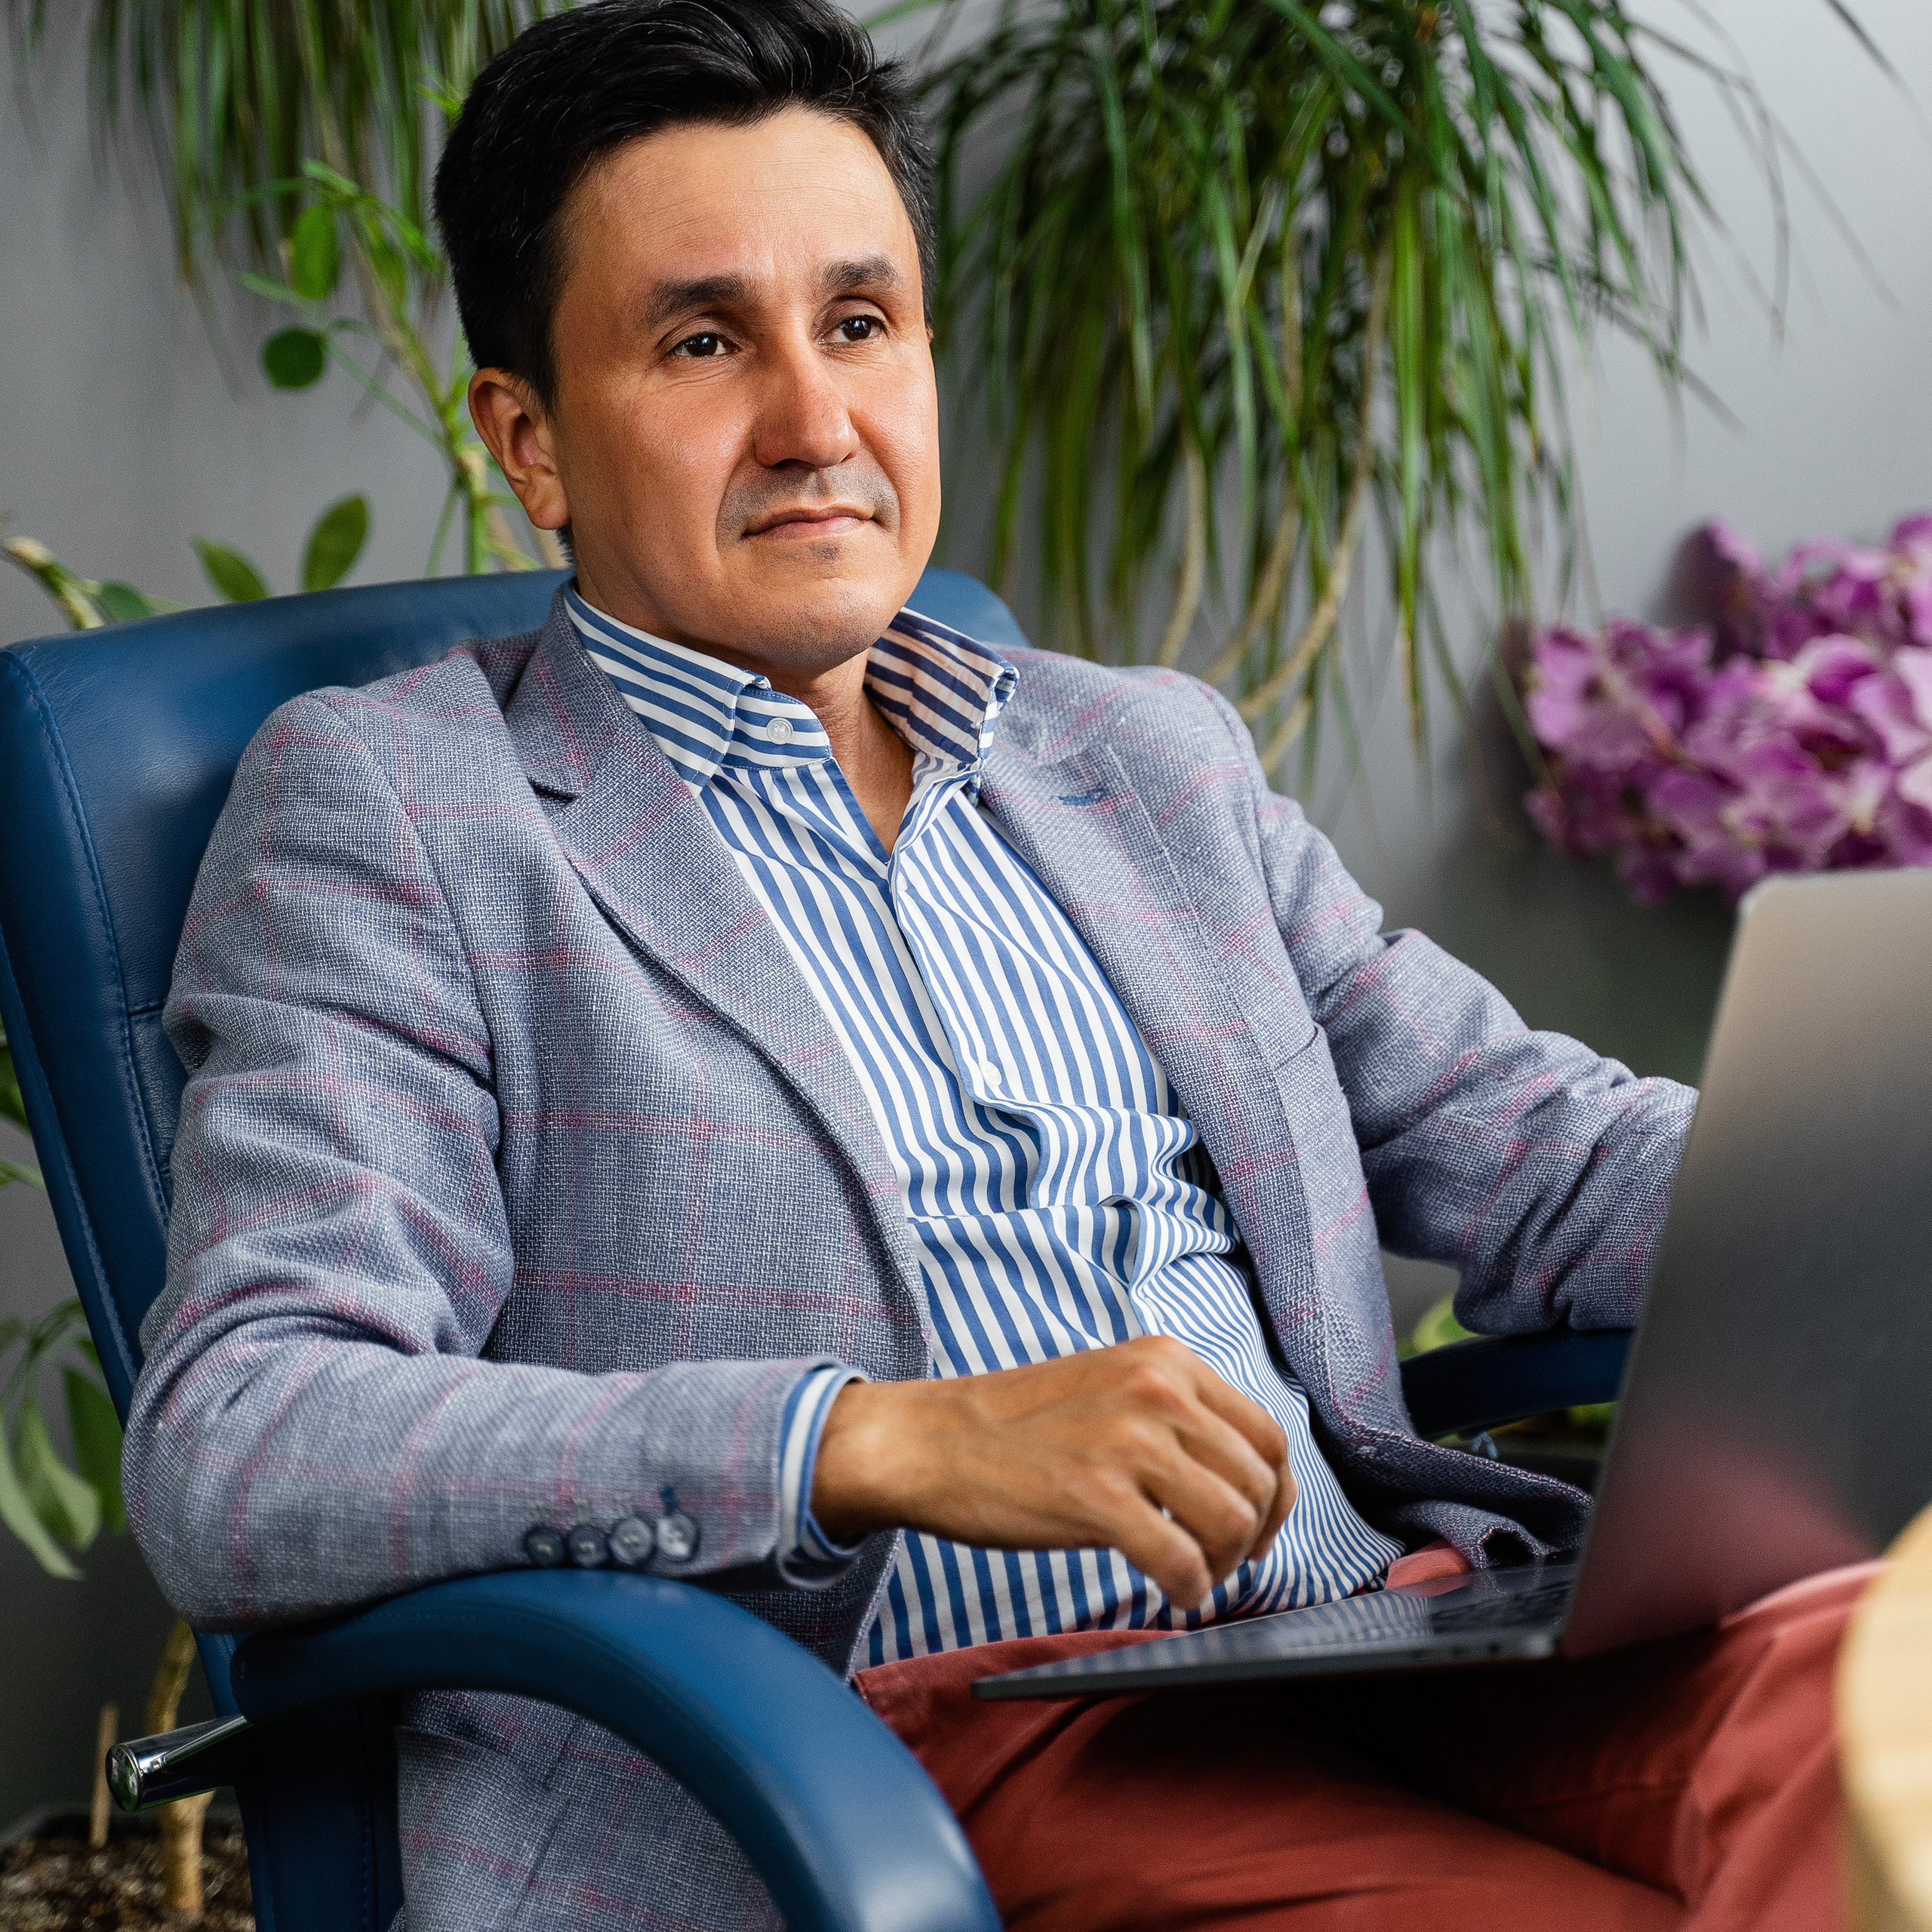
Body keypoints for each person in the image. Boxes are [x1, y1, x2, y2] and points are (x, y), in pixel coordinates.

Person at [123, 4, 1866, 1927]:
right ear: (527, 442)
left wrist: (1859, 1183)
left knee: (1880, 1724)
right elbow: (246, 1433)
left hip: (1387, 1631)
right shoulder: (403, 809)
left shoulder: (1136, 754)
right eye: (703, 342)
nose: (815, 422)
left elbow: (1525, 1140)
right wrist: (867, 1437)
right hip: (913, 1752)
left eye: (860, 322)